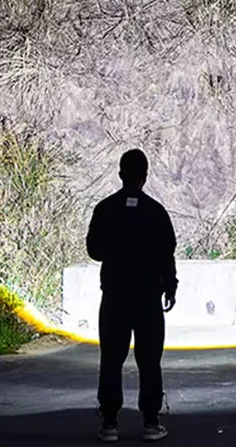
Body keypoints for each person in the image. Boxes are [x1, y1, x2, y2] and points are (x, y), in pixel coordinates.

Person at [86, 148, 178, 442]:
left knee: (111, 359)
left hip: (114, 296)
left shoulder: (105, 209)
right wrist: (170, 286)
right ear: (144, 176)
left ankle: (109, 423)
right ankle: (151, 422)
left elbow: (94, 250)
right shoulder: (156, 212)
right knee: (149, 360)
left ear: (121, 174)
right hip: (148, 298)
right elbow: (167, 253)